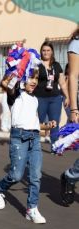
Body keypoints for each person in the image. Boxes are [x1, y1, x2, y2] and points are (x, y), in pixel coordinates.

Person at [0, 72, 57, 224]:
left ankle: (31, 209)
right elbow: (6, 85)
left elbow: (33, 123)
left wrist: (47, 125)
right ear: (23, 81)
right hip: (19, 138)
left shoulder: (35, 100)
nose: (34, 81)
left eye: (36, 79)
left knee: (35, 176)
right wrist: (17, 72)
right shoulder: (16, 95)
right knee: (16, 176)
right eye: (30, 78)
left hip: (34, 138)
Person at [33, 41, 69, 152]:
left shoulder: (56, 65)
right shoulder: (37, 65)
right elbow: (32, 81)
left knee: (54, 123)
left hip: (55, 98)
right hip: (40, 98)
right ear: (41, 52)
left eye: (48, 50)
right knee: (38, 122)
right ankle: (34, 145)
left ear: (52, 52)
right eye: (44, 50)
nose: (46, 52)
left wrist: (67, 96)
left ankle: (55, 147)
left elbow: (62, 83)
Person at [59, 27, 79, 206]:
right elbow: (72, 76)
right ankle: (70, 177)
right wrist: (74, 109)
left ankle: (71, 176)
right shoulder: (76, 43)